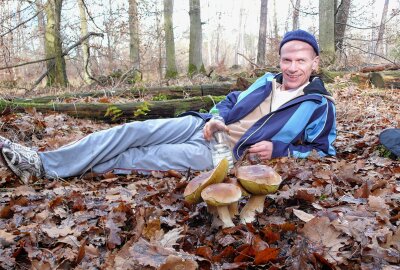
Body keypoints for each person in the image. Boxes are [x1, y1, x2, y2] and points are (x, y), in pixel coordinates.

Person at [0, 29, 336, 184]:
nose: (292, 67)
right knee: (132, 130)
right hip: (201, 126)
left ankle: (52, 168)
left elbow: (325, 151)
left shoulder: (320, 105)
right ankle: (42, 163)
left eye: (300, 61)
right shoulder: (266, 80)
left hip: (225, 155)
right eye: (287, 59)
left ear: (314, 63)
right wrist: (217, 116)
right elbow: (232, 101)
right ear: (280, 59)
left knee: (136, 158)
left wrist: (282, 151)